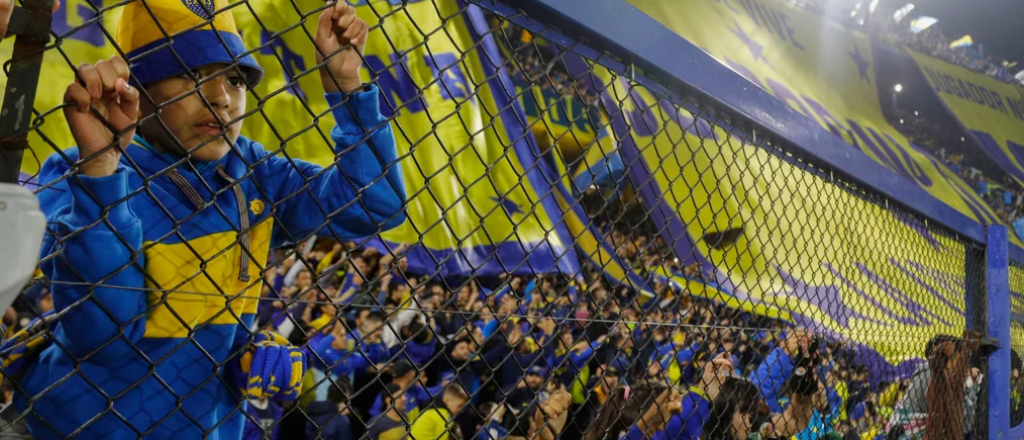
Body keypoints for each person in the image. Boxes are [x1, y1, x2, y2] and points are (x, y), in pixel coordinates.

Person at [8, 0, 406, 437]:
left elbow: (375, 203)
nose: (221, 98)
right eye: (190, 75)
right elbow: (103, 337)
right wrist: (101, 170)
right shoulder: (73, 174)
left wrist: (346, 87)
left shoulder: (252, 171)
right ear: (134, 88)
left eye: (236, 79)